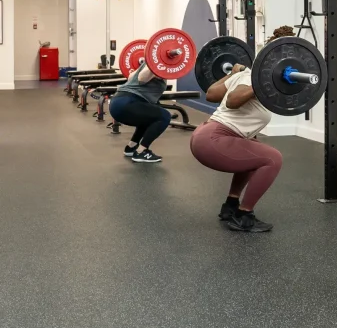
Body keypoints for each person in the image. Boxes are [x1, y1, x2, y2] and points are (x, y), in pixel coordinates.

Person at [189, 63, 281, 233]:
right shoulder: (252, 78)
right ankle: (244, 216)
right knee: (273, 159)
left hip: (204, 135)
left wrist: (232, 74)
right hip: (214, 139)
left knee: (253, 149)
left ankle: (230, 206)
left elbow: (211, 94)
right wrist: (260, 83)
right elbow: (231, 101)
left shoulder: (243, 76)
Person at [108, 61, 171, 163]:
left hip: (118, 102)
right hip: (128, 103)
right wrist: (157, 65)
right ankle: (141, 151)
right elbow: (141, 78)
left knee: (148, 118)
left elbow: (131, 77)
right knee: (164, 116)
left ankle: (131, 147)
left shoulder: (147, 63)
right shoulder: (155, 65)